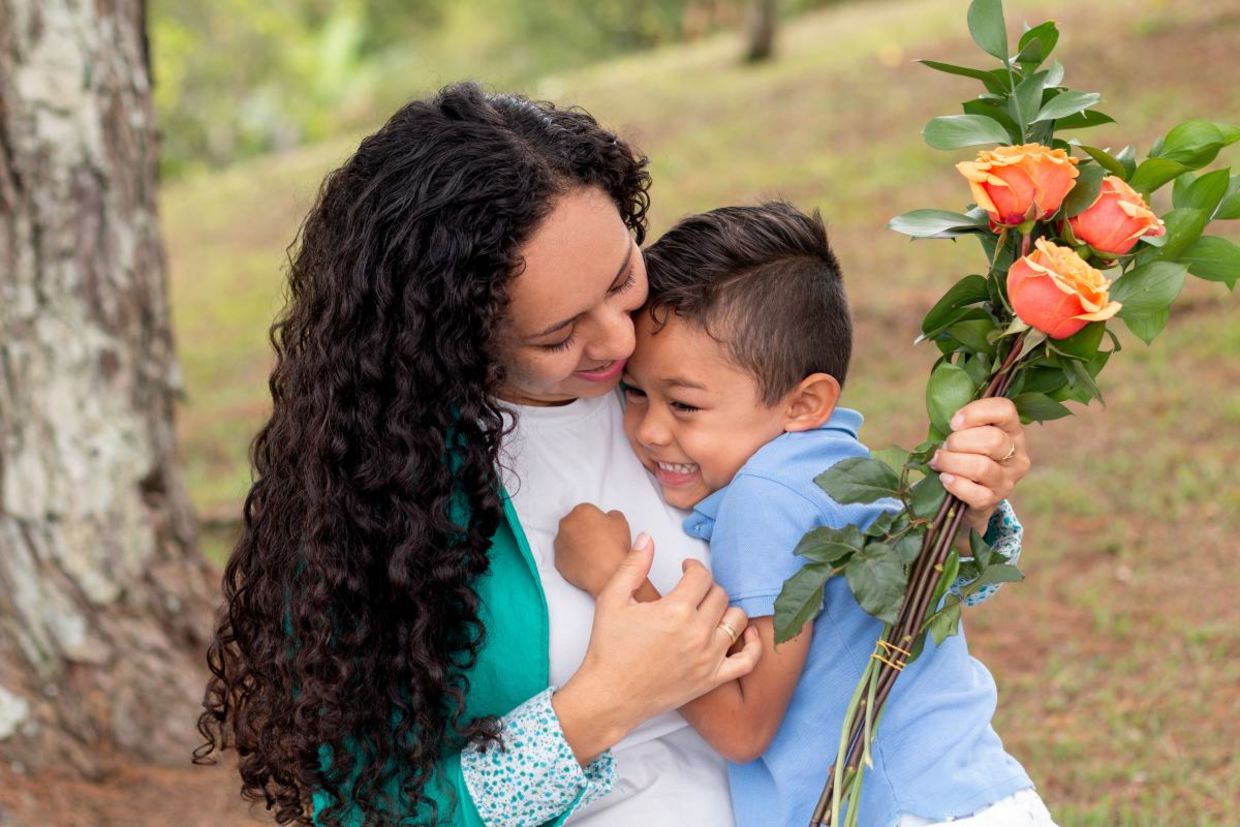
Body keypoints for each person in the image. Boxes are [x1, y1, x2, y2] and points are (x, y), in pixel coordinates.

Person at [195, 84, 1034, 827]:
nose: (618, 339)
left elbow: (850, 553)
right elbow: (361, 812)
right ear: (452, 337)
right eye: (560, 333)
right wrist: (593, 709)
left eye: (622, 277)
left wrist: (977, 504)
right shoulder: (391, 499)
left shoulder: (684, 371)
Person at [554, 203, 1054, 827]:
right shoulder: (838, 470)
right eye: (634, 394)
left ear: (804, 402)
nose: (650, 430)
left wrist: (614, 576)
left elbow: (744, 726)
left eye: (683, 405)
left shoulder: (765, 495)